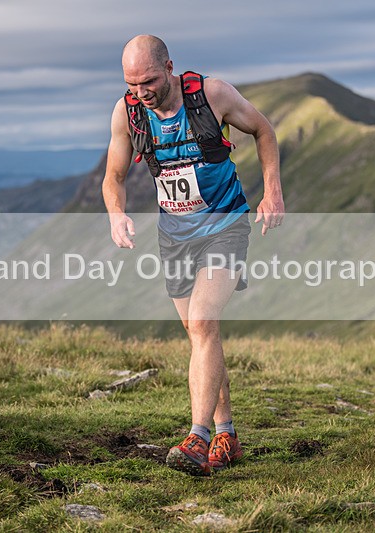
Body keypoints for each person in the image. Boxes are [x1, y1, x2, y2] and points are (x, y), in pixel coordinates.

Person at [102, 34, 284, 476]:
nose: (141, 91)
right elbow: (114, 175)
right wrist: (116, 214)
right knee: (201, 333)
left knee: (202, 322)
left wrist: (273, 192)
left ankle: (197, 440)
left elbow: (263, 129)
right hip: (175, 235)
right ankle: (227, 433)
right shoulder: (128, 113)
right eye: (132, 83)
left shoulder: (211, 95)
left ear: (169, 67)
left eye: (148, 80)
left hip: (225, 225)